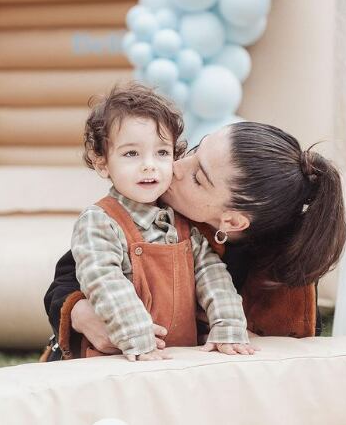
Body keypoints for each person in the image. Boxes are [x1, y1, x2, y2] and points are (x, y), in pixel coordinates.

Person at [43, 94, 346, 362]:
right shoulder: (143, 207)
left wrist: (233, 330)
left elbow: (275, 361)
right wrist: (83, 316)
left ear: (231, 221)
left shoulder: (285, 276)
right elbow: (70, 278)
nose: (174, 166)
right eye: (194, 150)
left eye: (198, 177)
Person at [69, 84, 255, 362]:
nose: (149, 165)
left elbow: (211, 274)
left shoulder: (184, 223)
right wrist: (135, 333)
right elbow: (103, 279)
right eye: (131, 154)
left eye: (162, 153)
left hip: (178, 358)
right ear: (102, 164)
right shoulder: (99, 221)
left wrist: (228, 324)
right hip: (120, 355)